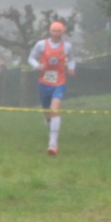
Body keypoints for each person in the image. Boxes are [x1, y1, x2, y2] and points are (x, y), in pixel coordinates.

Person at [27, 18, 77, 155]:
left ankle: (53, 144)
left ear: (63, 32)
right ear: (50, 31)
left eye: (58, 31)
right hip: (44, 82)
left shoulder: (67, 46)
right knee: (47, 113)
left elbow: (72, 58)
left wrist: (72, 68)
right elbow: (30, 58)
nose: (56, 33)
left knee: (54, 109)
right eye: (54, 31)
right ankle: (51, 134)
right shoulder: (41, 45)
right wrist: (38, 66)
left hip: (59, 82)